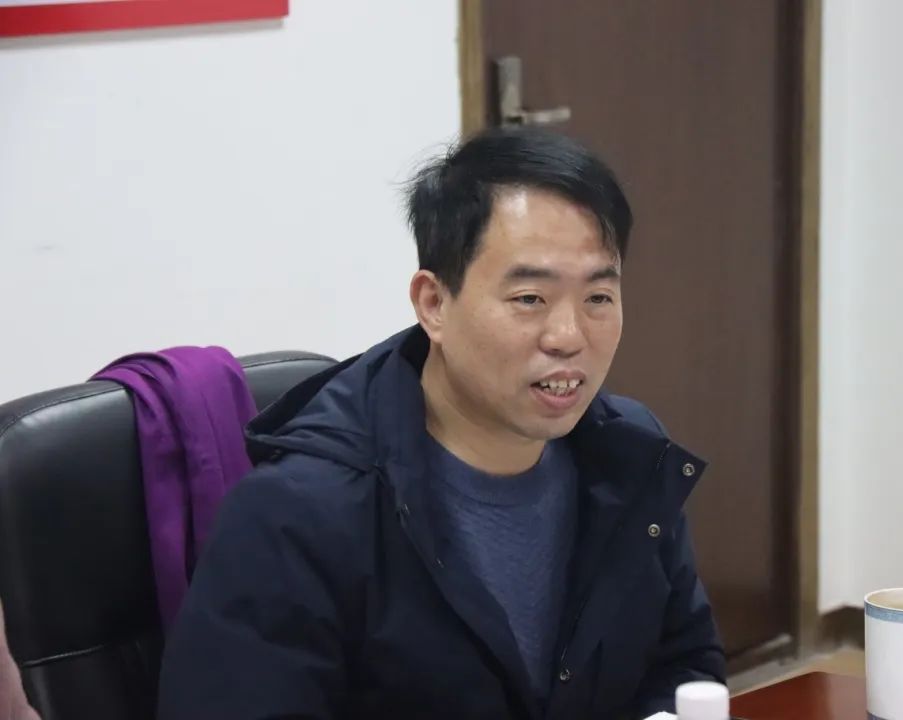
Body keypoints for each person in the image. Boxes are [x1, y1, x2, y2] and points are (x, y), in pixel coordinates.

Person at [158, 127, 724, 719]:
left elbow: (686, 666)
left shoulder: (627, 454)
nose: (568, 336)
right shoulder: (300, 514)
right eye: (530, 298)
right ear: (433, 303)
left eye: (598, 299)